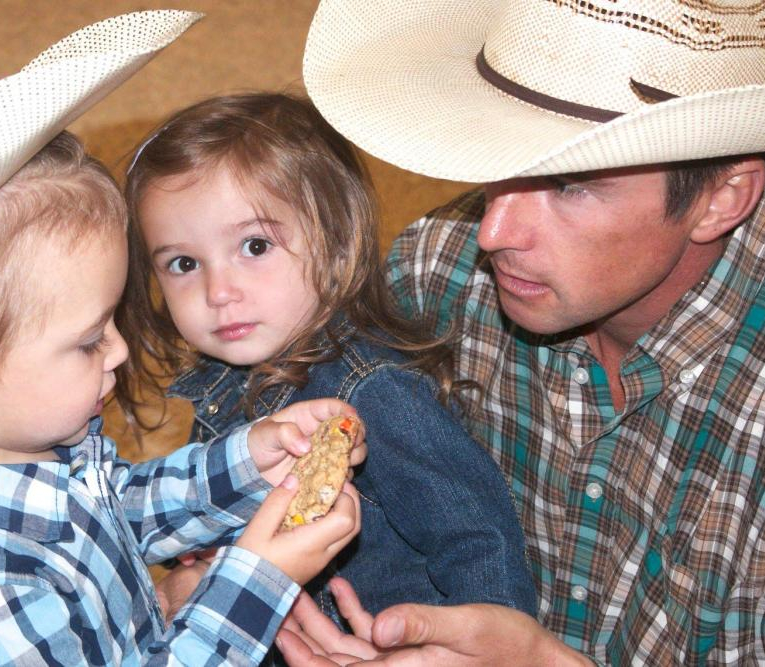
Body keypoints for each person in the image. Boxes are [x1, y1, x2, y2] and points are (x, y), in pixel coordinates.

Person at [0, 19, 364, 666]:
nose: (118, 351)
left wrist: (247, 463)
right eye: (89, 341)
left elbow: (110, 506)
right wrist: (257, 578)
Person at [278, 0, 765, 664]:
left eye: (569, 184)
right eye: (500, 157)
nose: (493, 231)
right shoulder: (438, 275)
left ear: (721, 198)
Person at [116, 92, 537, 651]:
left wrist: (481, 650)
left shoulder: (374, 393)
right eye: (184, 264)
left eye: (255, 245)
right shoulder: (222, 381)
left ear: (336, 243)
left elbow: (477, 538)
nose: (218, 291)